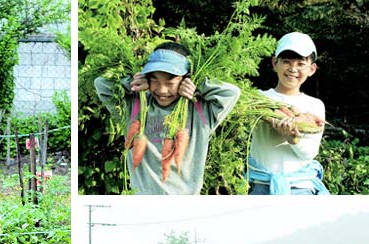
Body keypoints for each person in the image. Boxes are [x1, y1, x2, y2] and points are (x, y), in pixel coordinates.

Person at [94, 42, 240, 195]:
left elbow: (232, 93)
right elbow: (101, 84)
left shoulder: (201, 111)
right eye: (154, 79)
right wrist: (131, 82)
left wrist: (198, 86)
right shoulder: (134, 106)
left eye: (170, 81)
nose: (162, 89)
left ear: (185, 79)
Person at [248, 32, 329, 195]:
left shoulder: (314, 105)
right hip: (261, 185)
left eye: (300, 64)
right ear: (274, 63)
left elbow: (309, 154)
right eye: (286, 62)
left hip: (301, 188)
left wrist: (293, 139)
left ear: (312, 69)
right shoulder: (257, 98)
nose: (293, 69)